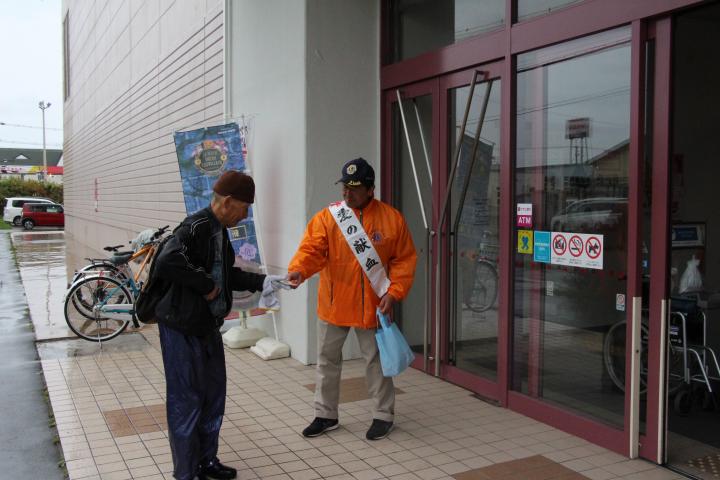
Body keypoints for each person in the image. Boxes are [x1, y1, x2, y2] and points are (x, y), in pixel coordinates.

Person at [154, 170, 284, 480]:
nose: (247, 215)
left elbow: (229, 275)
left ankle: (206, 461)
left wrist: (264, 280)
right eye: (245, 207)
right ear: (227, 202)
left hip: (207, 326)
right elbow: (166, 261)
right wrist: (205, 285)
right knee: (187, 401)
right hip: (182, 328)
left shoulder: (219, 231)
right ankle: (186, 473)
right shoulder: (196, 227)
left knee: (213, 395)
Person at [287, 157, 417, 441]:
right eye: (344, 187)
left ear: (371, 189)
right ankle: (325, 414)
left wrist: (394, 293)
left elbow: (404, 261)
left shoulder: (392, 219)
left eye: (354, 188)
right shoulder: (328, 218)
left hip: (372, 305)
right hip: (333, 304)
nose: (347, 194)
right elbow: (312, 249)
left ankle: (383, 415)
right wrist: (299, 270)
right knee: (327, 361)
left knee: (376, 362)